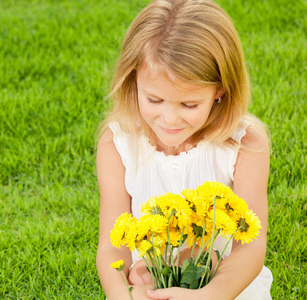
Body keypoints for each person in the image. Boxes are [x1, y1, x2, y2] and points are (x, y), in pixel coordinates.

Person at [95, 0, 273, 299]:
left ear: (220, 90)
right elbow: (113, 246)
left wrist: (210, 294)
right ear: (133, 79)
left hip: (225, 284)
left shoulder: (244, 145)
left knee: (209, 258)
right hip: (151, 280)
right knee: (140, 272)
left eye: (189, 105)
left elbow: (251, 246)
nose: (169, 119)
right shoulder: (118, 144)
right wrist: (122, 294)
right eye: (154, 100)